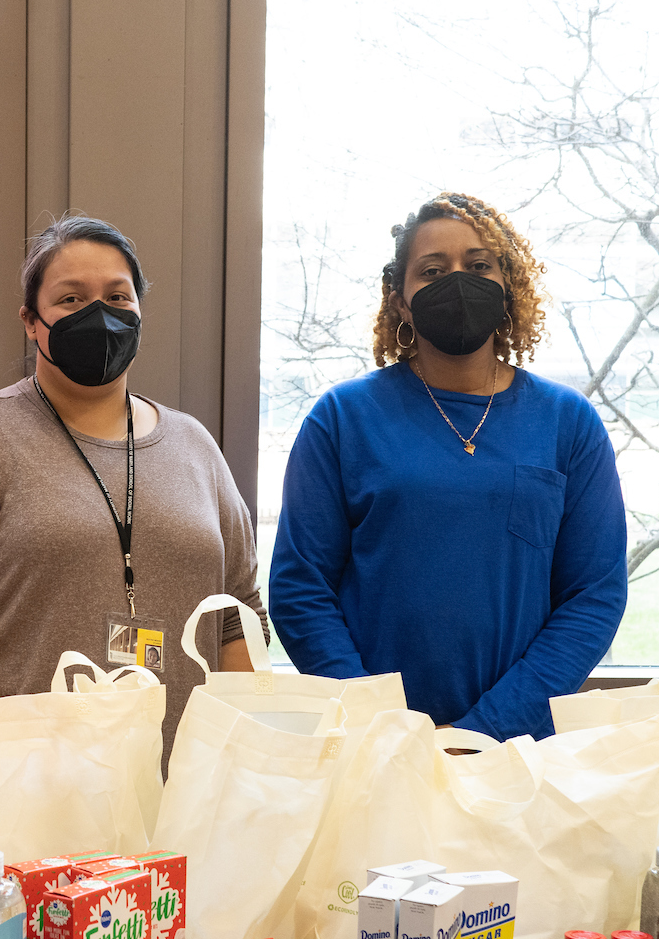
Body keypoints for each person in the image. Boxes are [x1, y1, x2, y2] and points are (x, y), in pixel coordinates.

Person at [0, 215, 268, 754]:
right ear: (30, 321)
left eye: (118, 296)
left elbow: (239, 621)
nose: (99, 315)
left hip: (181, 793)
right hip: (23, 798)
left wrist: (239, 764)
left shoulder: (194, 447)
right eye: (70, 299)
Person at [268, 192, 626, 740]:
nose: (458, 281)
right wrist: (379, 727)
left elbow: (594, 596)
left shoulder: (567, 422)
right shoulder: (342, 418)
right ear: (402, 301)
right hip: (371, 752)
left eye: (479, 266)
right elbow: (300, 589)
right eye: (432, 270)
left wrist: (486, 731)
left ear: (508, 287)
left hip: (517, 751)